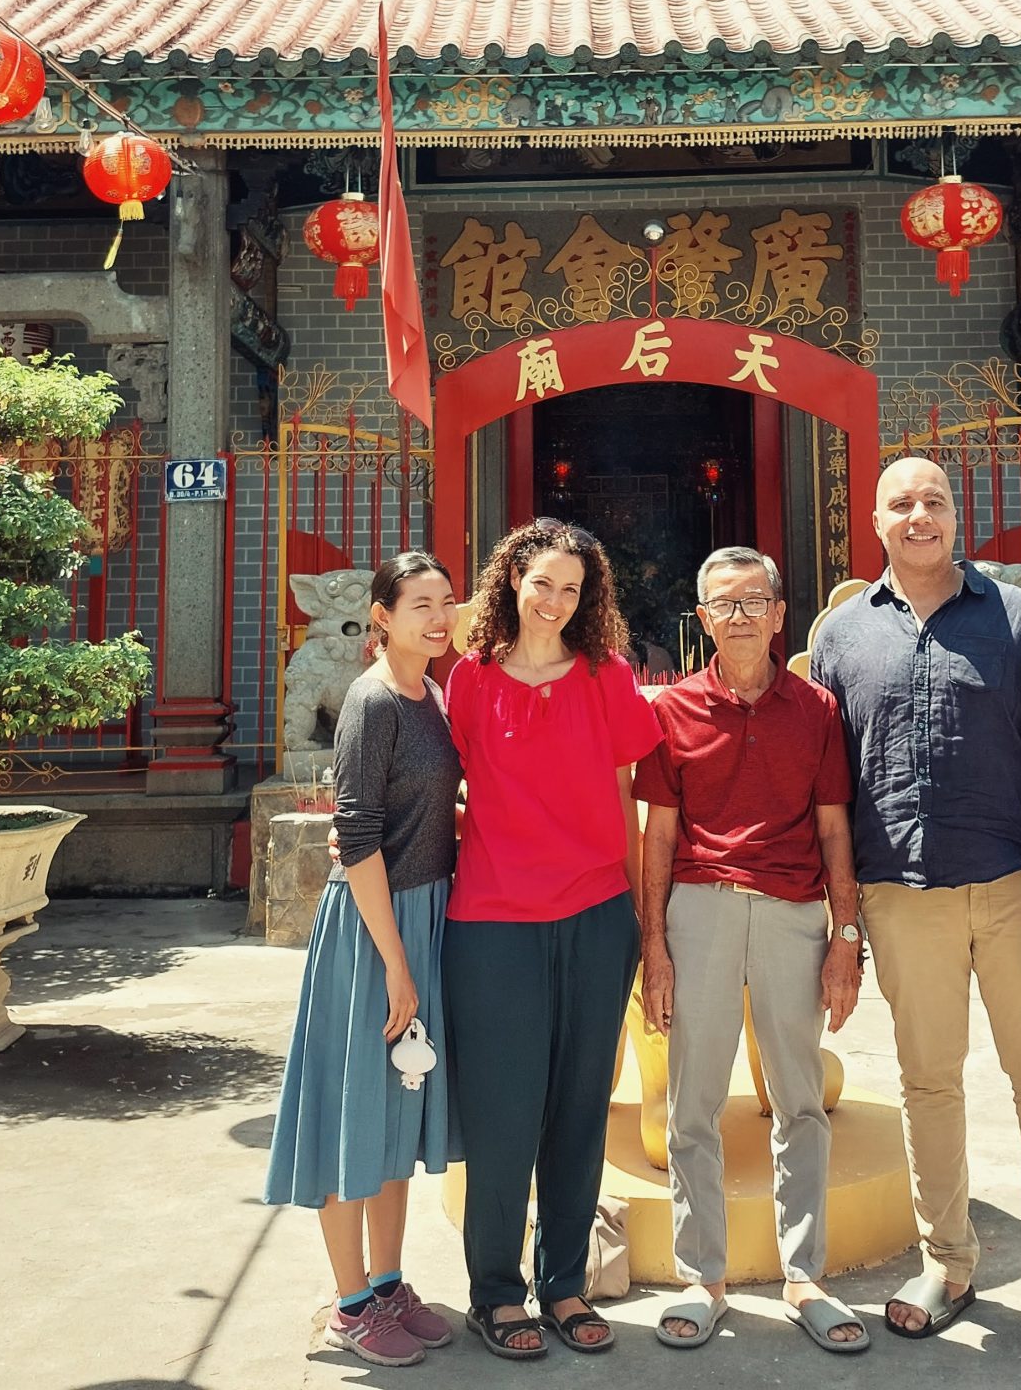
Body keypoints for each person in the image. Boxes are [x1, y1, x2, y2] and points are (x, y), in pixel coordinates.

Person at [809, 455, 1021, 1368]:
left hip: (1018, 888)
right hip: (902, 896)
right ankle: (950, 1261)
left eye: (934, 500)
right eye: (901, 502)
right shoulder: (841, 636)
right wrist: (847, 922)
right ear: (876, 520)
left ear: (956, 515)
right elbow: (829, 787)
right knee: (927, 1084)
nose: (920, 515)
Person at [636, 547, 869, 1354]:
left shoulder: (817, 710)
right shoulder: (672, 712)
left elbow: (836, 828)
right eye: (722, 604)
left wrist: (846, 938)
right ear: (702, 619)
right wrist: (655, 945)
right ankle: (704, 1275)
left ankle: (805, 1275)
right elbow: (659, 837)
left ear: (779, 612)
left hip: (793, 912)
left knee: (799, 1099)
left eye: (753, 601)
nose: (738, 616)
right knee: (691, 1104)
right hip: (699, 908)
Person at [442, 518, 662, 1360]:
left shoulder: (607, 678)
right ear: (511, 582)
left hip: (596, 914)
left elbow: (629, 798)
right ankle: (495, 1293)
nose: (555, 601)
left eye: (572, 589)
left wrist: (640, 918)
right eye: (542, 584)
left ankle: (563, 1282)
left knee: (579, 1109)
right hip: (492, 923)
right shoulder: (466, 681)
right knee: (503, 1115)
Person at [265, 553, 465, 1368]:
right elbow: (357, 837)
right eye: (420, 604)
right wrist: (395, 962)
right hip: (373, 929)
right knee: (355, 1112)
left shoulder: (434, 695)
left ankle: (387, 1282)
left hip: (424, 916)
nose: (438, 618)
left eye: (446, 603)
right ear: (382, 616)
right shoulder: (371, 701)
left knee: (398, 1111)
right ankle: (350, 1303)